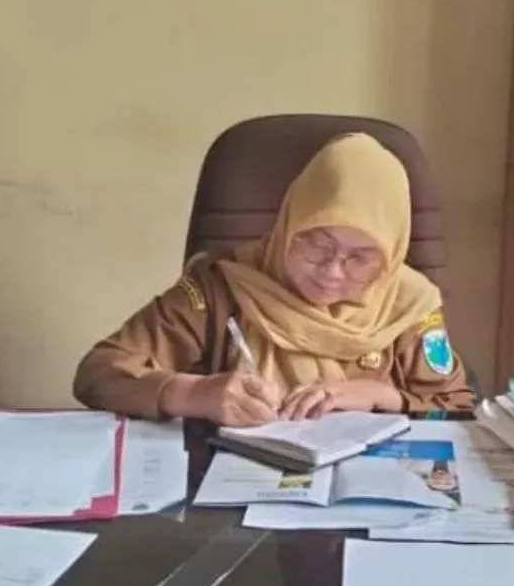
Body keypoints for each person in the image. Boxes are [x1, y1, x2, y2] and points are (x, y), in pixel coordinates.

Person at [73, 132, 476, 426]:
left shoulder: (408, 305)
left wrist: (378, 396)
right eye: (316, 244)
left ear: (392, 257)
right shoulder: (220, 288)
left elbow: (456, 406)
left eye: (360, 258)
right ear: (287, 224)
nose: (332, 271)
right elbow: (98, 372)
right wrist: (191, 393)